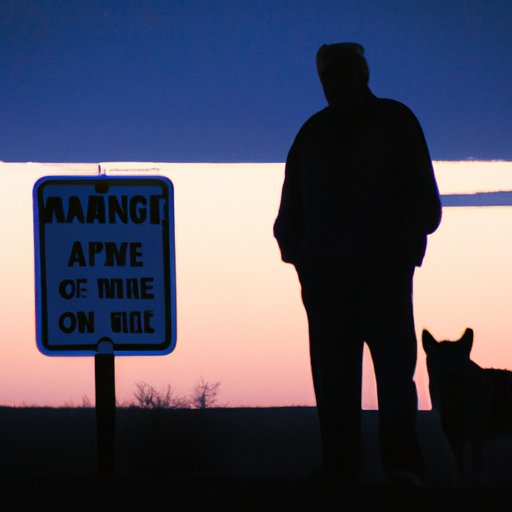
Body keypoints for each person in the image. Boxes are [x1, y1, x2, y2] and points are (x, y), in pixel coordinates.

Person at [274, 43, 441, 486]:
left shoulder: (395, 123)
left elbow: (427, 208)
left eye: (345, 73)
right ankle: (341, 467)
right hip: (327, 286)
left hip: (384, 280)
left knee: (393, 379)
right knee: (334, 384)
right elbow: (288, 215)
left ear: (363, 74)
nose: (337, 83)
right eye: (331, 75)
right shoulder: (312, 135)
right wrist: (302, 259)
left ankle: (402, 467)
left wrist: (395, 254)